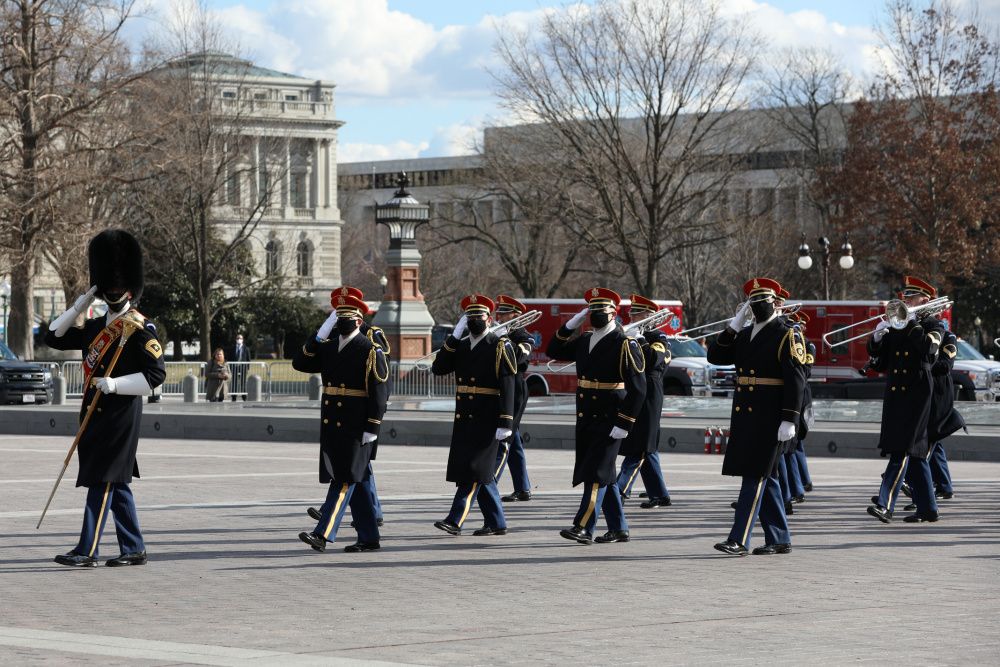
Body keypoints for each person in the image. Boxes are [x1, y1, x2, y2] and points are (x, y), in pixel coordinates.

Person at [44, 229, 166, 567]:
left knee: (104, 481)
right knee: (116, 483)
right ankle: (134, 547)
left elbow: (156, 377)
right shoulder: (96, 327)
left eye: (118, 286)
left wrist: (114, 384)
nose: (113, 291)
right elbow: (53, 337)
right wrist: (81, 302)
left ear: (131, 288)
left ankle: (87, 549)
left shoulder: (141, 329)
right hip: (93, 413)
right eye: (107, 286)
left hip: (120, 415)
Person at [708, 278, 805, 556]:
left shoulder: (787, 333)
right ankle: (779, 537)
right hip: (746, 415)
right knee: (767, 477)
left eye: (763, 299)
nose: (758, 305)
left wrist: (790, 418)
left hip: (771, 416)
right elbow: (715, 356)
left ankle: (739, 539)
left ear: (775, 302)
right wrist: (732, 327)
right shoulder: (746, 333)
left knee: (754, 477)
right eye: (753, 300)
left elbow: (796, 380)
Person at [546, 287, 646, 545]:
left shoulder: (624, 343)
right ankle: (619, 528)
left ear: (614, 313)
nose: (596, 315)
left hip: (612, 416)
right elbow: (553, 350)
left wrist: (625, 422)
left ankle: (582, 526)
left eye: (601, 310)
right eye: (592, 311)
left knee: (595, 473)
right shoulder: (585, 340)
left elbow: (639, 388)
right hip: (587, 415)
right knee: (605, 474)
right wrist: (570, 325)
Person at [294, 292, 389, 553]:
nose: (343, 322)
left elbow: (380, 392)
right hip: (334, 423)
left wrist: (373, 426)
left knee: (344, 481)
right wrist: (320, 333)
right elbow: (300, 362)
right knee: (354, 484)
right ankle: (369, 537)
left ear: (360, 321)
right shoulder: (329, 345)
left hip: (357, 425)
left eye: (348, 318)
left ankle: (322, 534)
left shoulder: (370, 350)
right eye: (339, 318)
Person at [431, 295, 516, 536]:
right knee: (480, 473)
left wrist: (506, 421)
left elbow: (508, 384)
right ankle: (496, 522)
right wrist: (454, 337)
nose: (474, 321)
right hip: (465, 417)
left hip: (488, 417)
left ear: (489, 318)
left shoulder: (499, 345)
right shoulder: (463, 344)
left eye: (478, 316)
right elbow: (439, 368)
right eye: (470, 317)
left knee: (475, 470)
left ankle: (455, 519)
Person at [866, 276, 945, 524]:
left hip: (918, 395)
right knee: (917, 454)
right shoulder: (899, 324)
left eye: (912, 297)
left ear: (926, 300)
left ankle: (885, 504)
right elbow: (880, 361)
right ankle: (928, 508)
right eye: (906, 296)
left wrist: (911, 324)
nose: (907, 300)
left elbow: (929, 351)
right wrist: (877, 338)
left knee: (902, 451)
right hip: (896, 395)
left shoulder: (934, 326)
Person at [616, 294, 673, 509]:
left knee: (638, 446)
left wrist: (639, 339)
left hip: (650, 392)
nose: (633, 316)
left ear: (649, 316)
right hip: (632, 389)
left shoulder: (659, 338)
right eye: (632, 313)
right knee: (646, 444)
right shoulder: (628, 336)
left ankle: (620, 490)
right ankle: (659, 494)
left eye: (638, 313)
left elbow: (653, 361)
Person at [493, 295, 535, 502]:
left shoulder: (524, 337)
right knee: (514, 436)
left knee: (505, 438)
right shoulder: (495, 334)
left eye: (503, 313)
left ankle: (489, 482)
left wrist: (502, 340)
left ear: (515, 315)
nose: (498, 316)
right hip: (501, 387)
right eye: (498, 312)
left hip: (516, 388)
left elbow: (518, 358)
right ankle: (523, 487)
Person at [229, 333, 251, 400]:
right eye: (237, 338)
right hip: (234, 367)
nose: (239, 339)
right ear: (235, 339)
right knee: (234, 382)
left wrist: (247, 368)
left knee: (243, 382)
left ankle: (244, 396)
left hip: (243, 368)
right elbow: (230, 358)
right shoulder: (232, 348)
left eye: (240, 338)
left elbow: (248, 359)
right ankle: (234, 397)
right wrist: (230, 367)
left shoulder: (246, 348)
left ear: (243, 340)